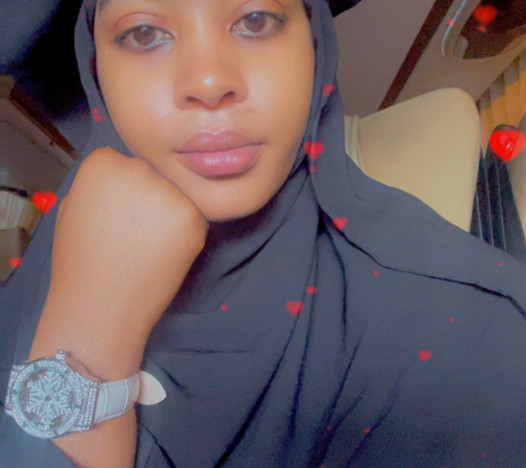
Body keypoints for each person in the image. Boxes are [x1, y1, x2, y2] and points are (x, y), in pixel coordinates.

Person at [1, 0, 525, 466]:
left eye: (255, 19)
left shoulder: (474, 348)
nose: (209, 82)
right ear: (96, 70)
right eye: (144, 33)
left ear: (314, 42)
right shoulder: (81, 206)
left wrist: (84, 340)